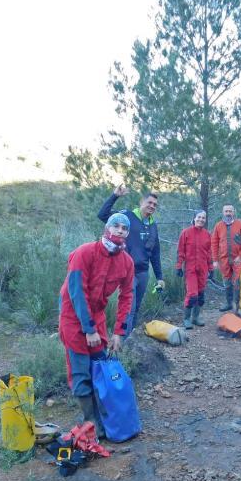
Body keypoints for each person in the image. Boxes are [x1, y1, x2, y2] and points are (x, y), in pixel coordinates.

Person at [59, 213, 134, 437]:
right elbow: (76, 292)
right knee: (80, 369)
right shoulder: (85, 252)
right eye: (116, 226)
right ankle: (91, 420)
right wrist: (88, 328)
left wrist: (120, 332)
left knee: (100, 365)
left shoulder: (126, 262)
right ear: (107, 228)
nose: (120, 230)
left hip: (97, 317)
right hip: (73, 317)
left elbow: (127, 296)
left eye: (125, 228)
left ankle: (102, 413)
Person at [97, 185, 163, 335]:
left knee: (136, 308)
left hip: (143, 273)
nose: (152, 206)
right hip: (128, 272)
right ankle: (122, 341)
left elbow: (155, 252)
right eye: (149, 203)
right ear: (142, 202)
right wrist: (115, 196)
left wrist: (160, 277)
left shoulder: (153, 226)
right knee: (129, 309)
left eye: (155, 205)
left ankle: (128, 340)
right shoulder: (127, 217)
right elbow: (102, 215)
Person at [175, 210, 213, 329]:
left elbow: (209, 253)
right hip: (190, 269)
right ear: (194, 218)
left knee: (200, 295)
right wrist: (179, 266)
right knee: (192, 295)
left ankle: (195, 318)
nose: (201, 219)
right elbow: (180, 251)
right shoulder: (185, 233)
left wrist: (211, 269)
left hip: (203, 269)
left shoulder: (207, 234)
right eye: (199, 217)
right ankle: (186, 319)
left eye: (203, 218)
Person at [211, 204, 241, 312]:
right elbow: (214, 243)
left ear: (234, 212)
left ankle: (237, 305)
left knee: (238, 282)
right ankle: (228, 303)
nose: (228, 213)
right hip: (224, 259)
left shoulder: (240, 224)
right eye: (226, 211)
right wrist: (215, 260)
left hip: (238, 259)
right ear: (223, 212)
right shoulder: (218, 226)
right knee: (227, 282)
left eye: (230, 211)